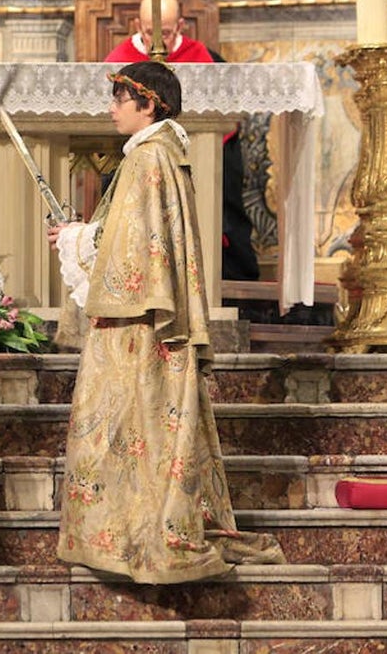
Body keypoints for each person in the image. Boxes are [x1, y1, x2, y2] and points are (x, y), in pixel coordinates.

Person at [47, 61, 285, 583]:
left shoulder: (147, 159)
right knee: (149, 425)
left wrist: (74, 240)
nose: (111, 108)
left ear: (148, 103)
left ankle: (131, 536)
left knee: (124, 423)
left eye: (119, 99)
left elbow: (133, 251)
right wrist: (85, 234)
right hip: (154, 318)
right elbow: (132, 233)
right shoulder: (162, 154)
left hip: (138, 324)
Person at [104, 0, 261, 281]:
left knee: (224, 170)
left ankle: (226, 272)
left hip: (195, 153)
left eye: (165, 32)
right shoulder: (119, 60)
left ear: (181, 25)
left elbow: (223, 114)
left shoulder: (200, 58)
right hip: (136, 154)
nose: (158, 40)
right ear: (138, 24)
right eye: (151, 31)